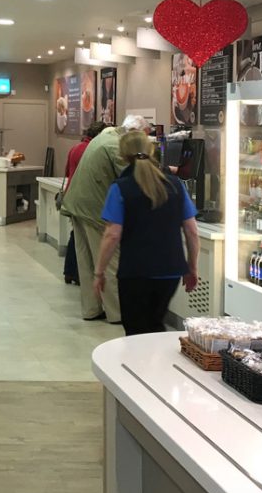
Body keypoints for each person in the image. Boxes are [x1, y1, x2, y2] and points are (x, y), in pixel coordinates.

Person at [93, 130, 200, 336]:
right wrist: (191, 268)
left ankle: (139, 366)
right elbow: (192, 231)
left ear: (123, 156)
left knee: (135, 328)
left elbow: (112, 234)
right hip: (170, 270)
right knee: (155, 323)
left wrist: (99, 272)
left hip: (135, 271)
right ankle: (157, 366)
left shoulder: (121, 188)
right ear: (151, 151)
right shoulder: (175, 184)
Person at [60, 115, 151, 323]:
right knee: (109, 261)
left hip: (77, 204)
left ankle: (91, 309)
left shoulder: (104, 137)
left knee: (86, 262)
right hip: (94, 209)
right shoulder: (116, 145)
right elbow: (134, 176)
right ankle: (118, 314)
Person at [62, 121, 109, 285]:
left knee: (75, 235)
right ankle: (76, 273)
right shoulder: (93, 149)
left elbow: (67, 171)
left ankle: (69, 272)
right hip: (85, 197)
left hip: (72, 195)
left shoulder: (75, 148)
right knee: (82, 240)